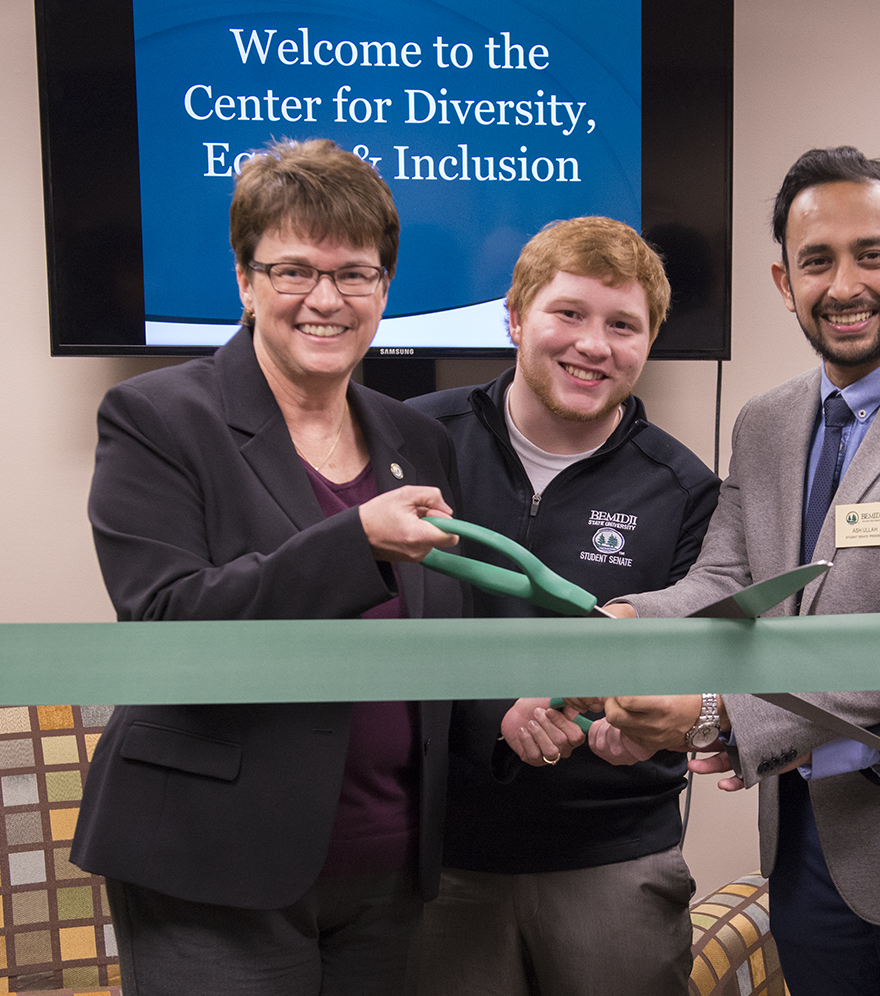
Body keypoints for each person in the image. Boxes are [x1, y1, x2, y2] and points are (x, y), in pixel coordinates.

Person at [594, 146, 880, 995]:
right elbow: (721, 584)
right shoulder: (766, 423)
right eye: (817, 261)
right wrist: (620, 626)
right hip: (802, 847)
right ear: (782, 281)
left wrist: (717, 713)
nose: (844, 285)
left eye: (872, 254)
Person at [73, 138, 466, 995]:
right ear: (246, 283)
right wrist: (352, 541)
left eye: (355, 273)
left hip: (388, 868)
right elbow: (168, 622)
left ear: (384, 290)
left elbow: (442, 645)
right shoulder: (156, 418)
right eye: (293, 270)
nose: (325, 299)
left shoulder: (418, 439)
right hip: (210, 866)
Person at [406, 216, 719, 995]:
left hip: (615, 857)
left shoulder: (684, 490)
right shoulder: (416, 442)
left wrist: (646, 727)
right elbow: (380, 628)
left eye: (623, 325)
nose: (594, 344)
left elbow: (698, 655)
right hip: (443, 856)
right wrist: (493, 720)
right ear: (515, 316)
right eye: (569, 314)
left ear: (648, 344)